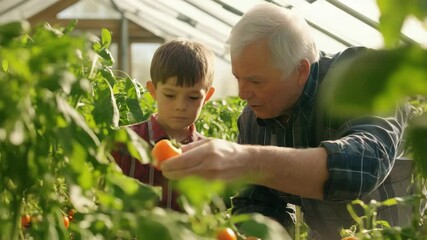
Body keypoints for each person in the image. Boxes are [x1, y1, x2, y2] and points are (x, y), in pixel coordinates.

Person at [160, 3, 414, 239]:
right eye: (239, 78)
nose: (242, 93)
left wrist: (247, 160)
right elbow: (259, 202)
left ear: (301, 71)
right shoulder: (252, 120)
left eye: (256, 81)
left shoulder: (358, 78)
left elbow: (365, 164)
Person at [112, 39, 215, 211]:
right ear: (153, 91)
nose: (180, 106)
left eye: (193, 97)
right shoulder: (125, 142)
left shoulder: (207, 152)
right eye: (169, 95)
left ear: (207, 97)